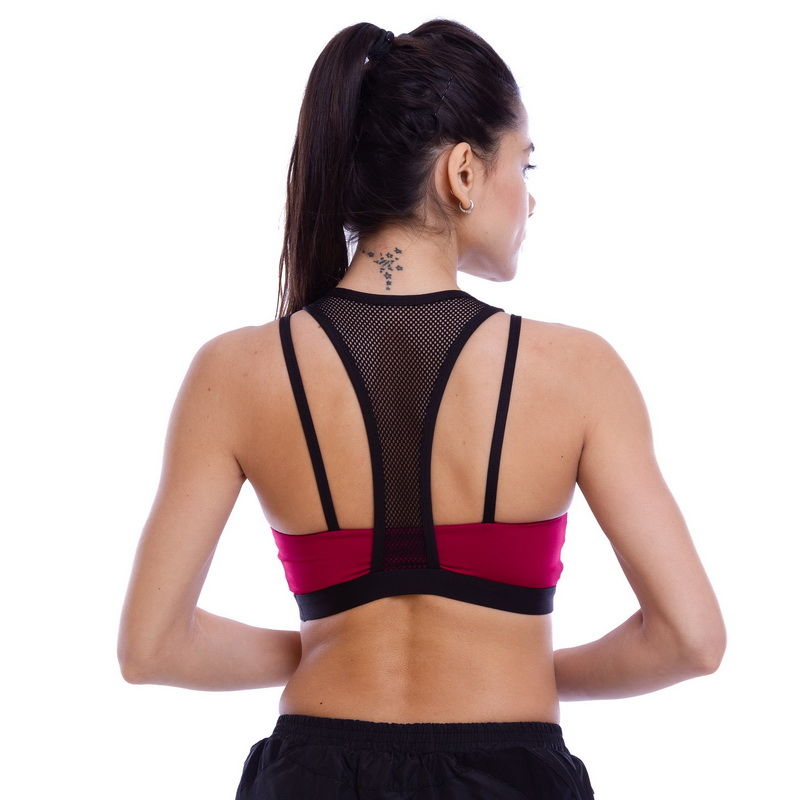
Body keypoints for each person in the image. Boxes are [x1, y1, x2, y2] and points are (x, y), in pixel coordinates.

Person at [117, 19, 727, 799]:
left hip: (311, 773)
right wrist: (523, 663)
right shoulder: (576, 373)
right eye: (524, 164)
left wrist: (325, 645)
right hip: (509, 775)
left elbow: (153, 648)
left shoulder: (234, 373)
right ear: (463, 171)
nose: (531, 198)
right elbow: (690, 639)